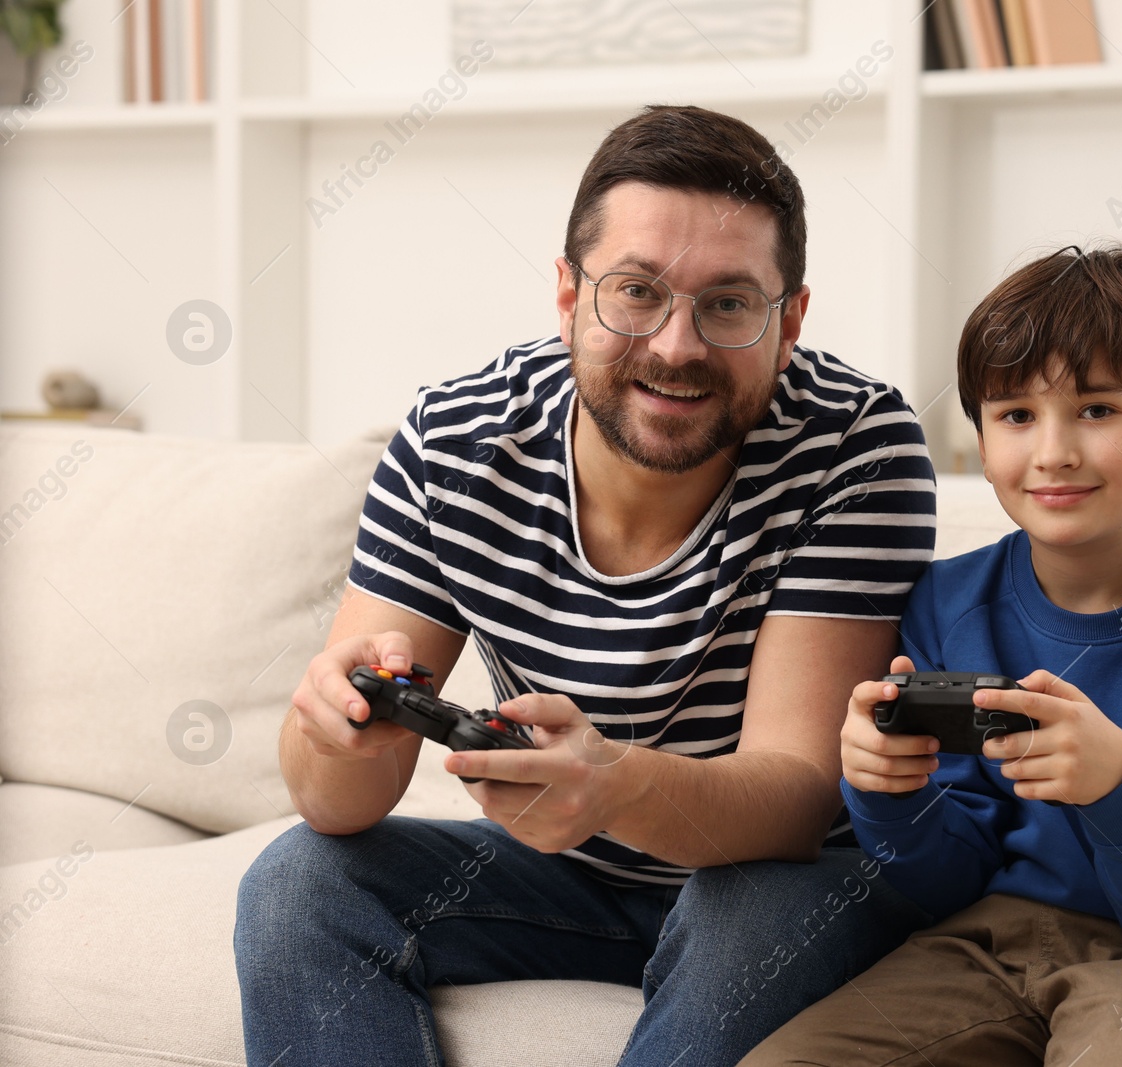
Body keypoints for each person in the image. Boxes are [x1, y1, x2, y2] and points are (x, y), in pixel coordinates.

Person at [233, 104, 938, 1067]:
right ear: (568, 296)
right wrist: (334, 729)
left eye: (729, 304)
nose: (678, 345)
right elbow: (338, 802)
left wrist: (614, 785)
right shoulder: (456, 441)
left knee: (751, 903)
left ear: (791, 322)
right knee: (300, 880)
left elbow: (797, 794)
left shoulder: (857, 446)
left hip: (781, 872)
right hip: (567, 874)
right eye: (636, 291)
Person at [742, 245, 1122, 1067]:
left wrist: (1118, 782)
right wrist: (885, 790)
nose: (1053, 450)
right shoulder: (946, 605)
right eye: (1016, 415)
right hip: (1003, 921)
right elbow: (949, 878)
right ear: (981, 443)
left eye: (1095, 409)